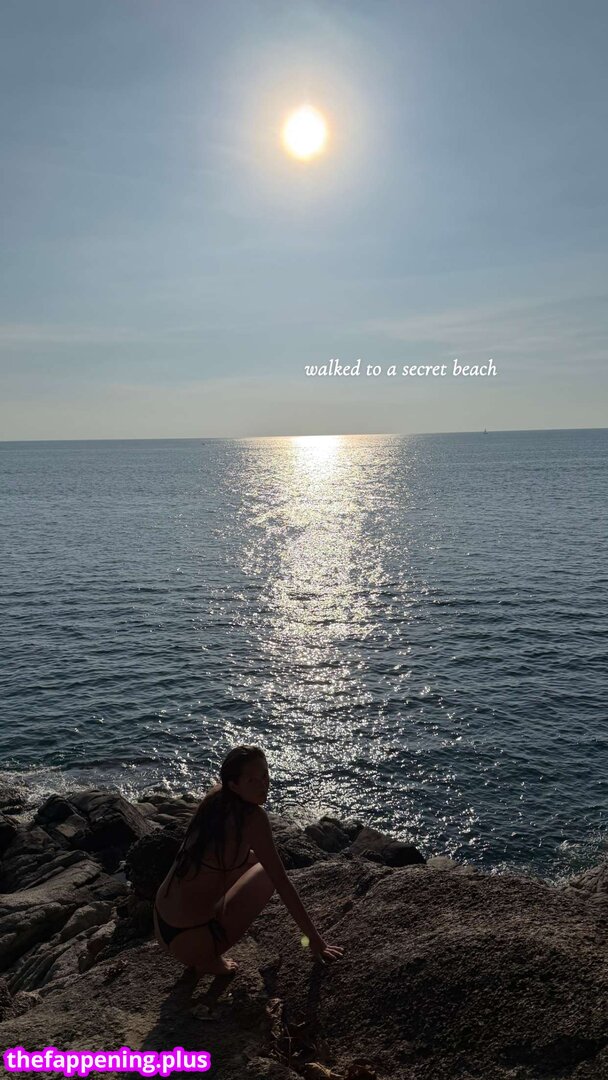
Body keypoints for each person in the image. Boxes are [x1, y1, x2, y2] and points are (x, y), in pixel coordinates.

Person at [153, 745, 344, 975]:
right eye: (252, 780)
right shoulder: (253, 818)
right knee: (267, 875)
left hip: (162, 923)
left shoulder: (214, 799)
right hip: (196, 940)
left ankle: (202, 946)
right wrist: (314, 940)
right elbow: (281, 882)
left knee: (252, 862)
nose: (263, 785)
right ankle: (209, 961)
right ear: (234, 784)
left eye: (265, 775)